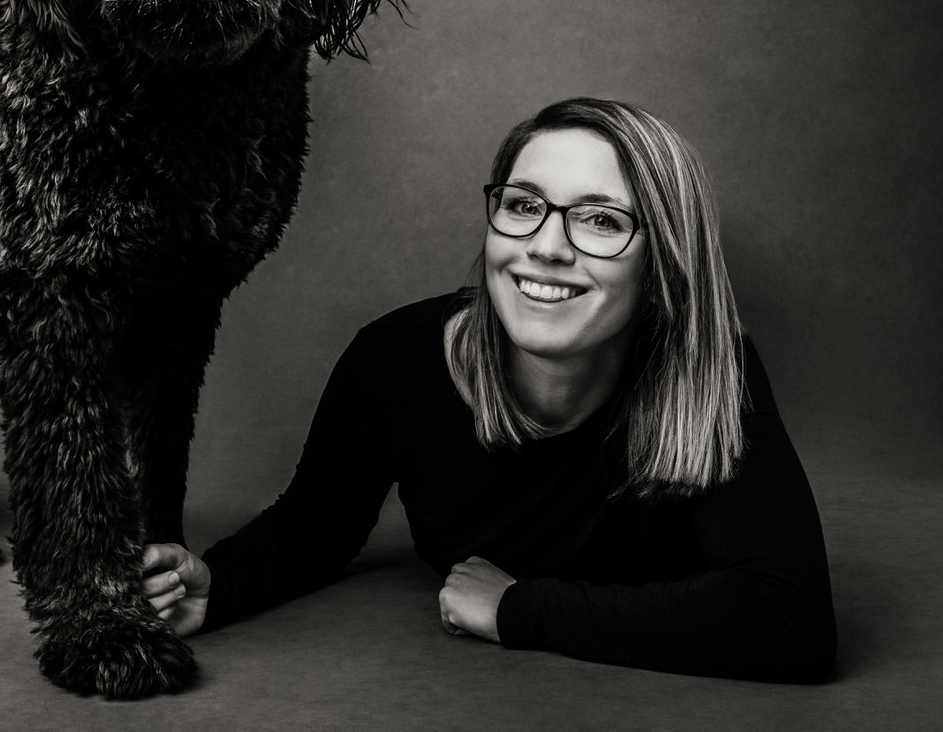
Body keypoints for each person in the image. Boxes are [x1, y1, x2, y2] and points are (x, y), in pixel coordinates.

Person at [138, 97, 837, 683]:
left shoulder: (711, 370)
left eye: (600, 219)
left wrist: (515, 609)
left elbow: (790, 622)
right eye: (524, 204)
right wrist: (219, 586)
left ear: (663, 265)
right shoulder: (396, 359)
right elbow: (317, 527)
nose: (547, 245)